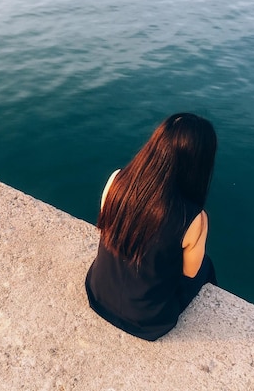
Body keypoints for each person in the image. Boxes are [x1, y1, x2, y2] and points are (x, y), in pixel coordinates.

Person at [85, 113, 218, 341]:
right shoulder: (194, 219)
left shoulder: (116, 180)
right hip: (147, 321)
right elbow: (189, 273)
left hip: (97, 293)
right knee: (206, 266)